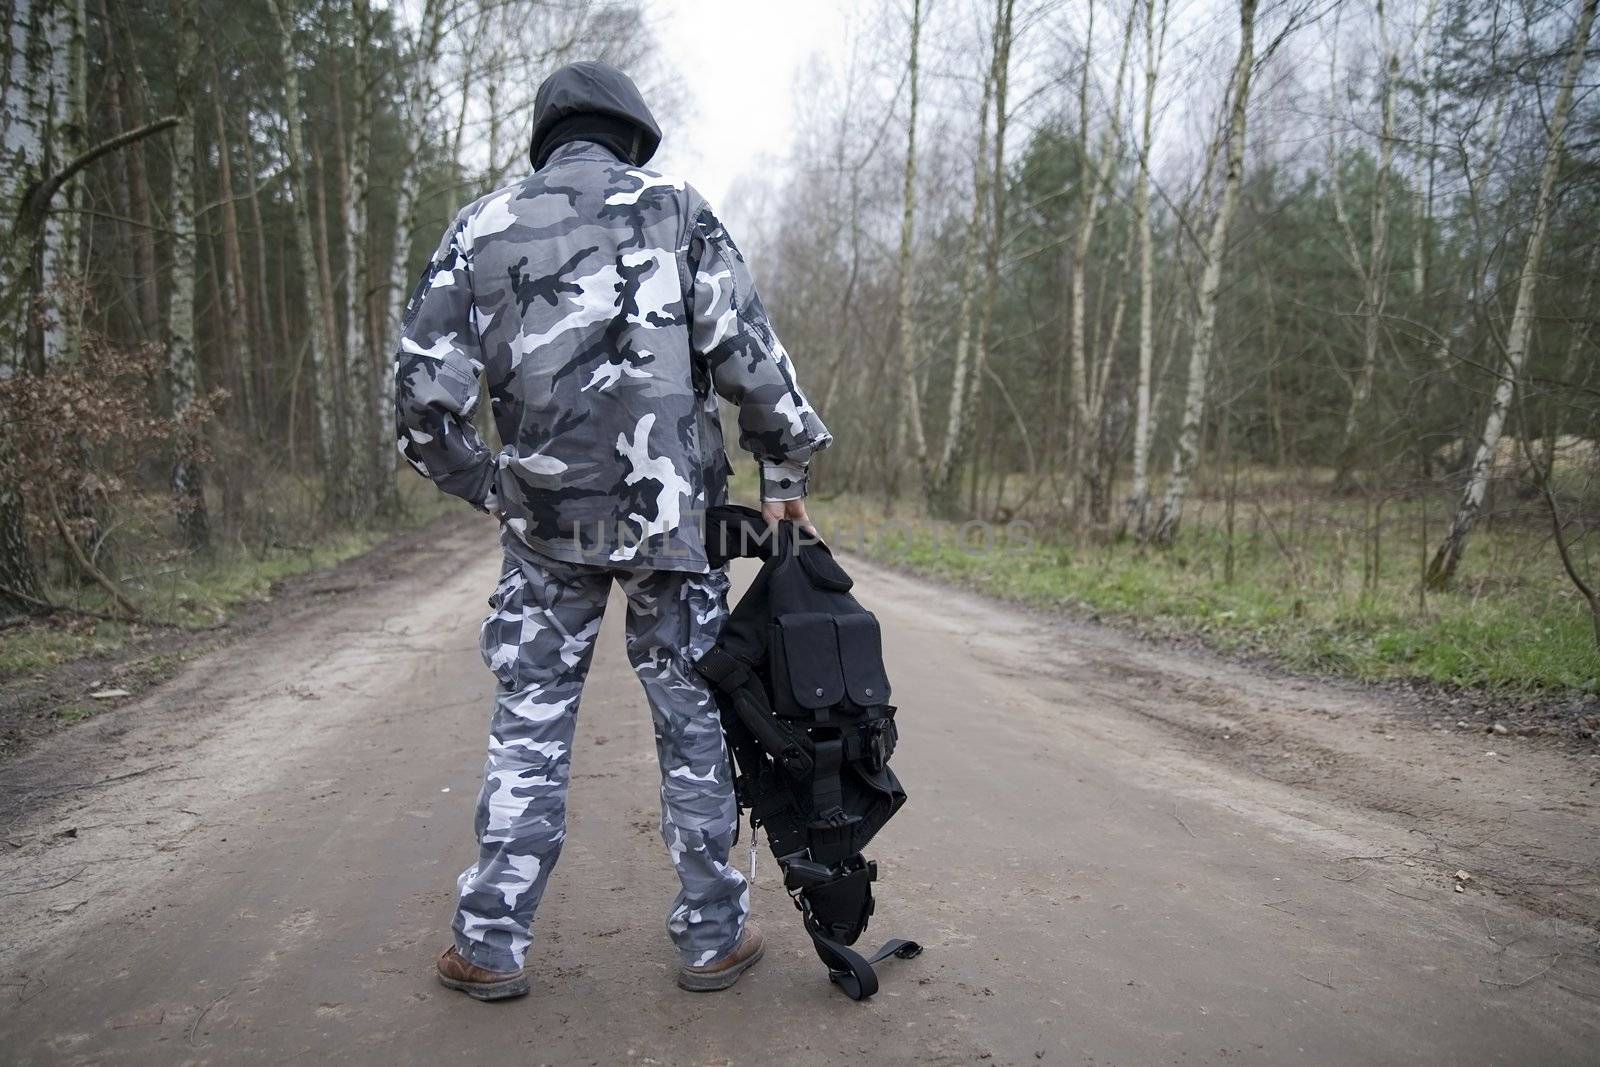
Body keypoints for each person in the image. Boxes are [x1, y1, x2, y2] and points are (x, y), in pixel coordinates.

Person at [392, 60, 831, 1001]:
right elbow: (745, 349)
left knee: (530, 725)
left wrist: (495, 488)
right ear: (632, 134)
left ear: (548, 137)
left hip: (545, 526)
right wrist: (784, 465)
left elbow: (424, 401)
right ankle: (715, 936)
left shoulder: (481, 225)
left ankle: (490, 944)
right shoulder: (675, 208)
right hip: (676, 526)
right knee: (696, 718)